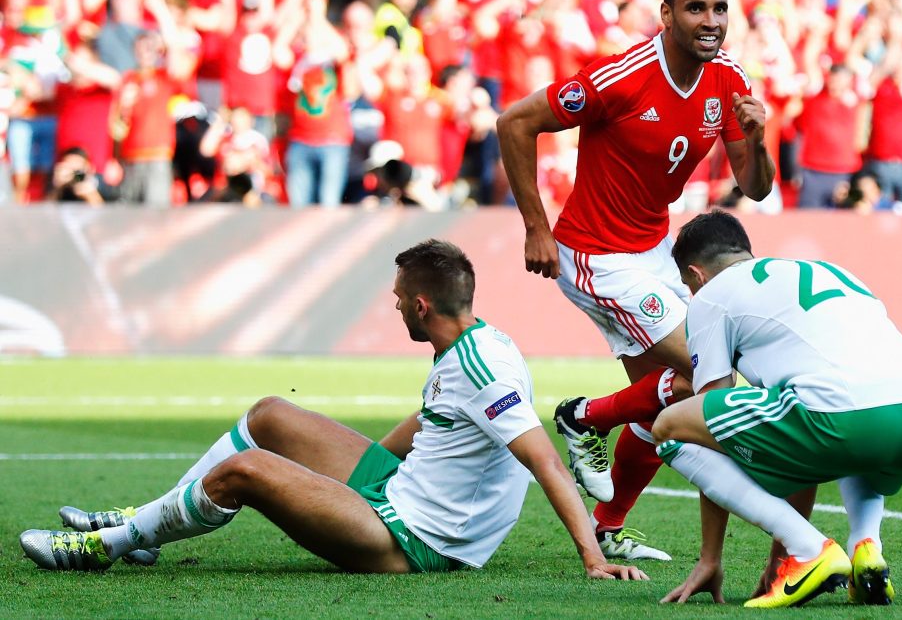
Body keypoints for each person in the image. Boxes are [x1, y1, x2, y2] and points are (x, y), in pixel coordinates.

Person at [20, 240, 645, 582]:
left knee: (247, 470)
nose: (394, 305)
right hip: (398, 495)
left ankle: (108, 545)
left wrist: (593, 557)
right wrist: (356, 469)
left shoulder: (485, 367)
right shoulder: (471, 339)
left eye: (399, 298)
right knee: (271, 415)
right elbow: (433, 420)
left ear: (422, 306)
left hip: (419, 540)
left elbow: (544, 462)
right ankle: (146, 523)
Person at [496, 0, 774, 559]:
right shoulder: (621, 77)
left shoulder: (728, 78)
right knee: (710, 371)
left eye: (719, 8)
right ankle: (585, 418)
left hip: (654, 250)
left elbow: (754, 186)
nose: (710, 20)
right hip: (596, 256)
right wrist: (536, 228)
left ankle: (607, 525)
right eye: (695, 7)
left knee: (670, 392)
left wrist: (757, 138)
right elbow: (514, 122)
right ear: (666, 11)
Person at [652, 210, 902, 608]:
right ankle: (866, 548)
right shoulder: (828, 270)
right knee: (820, 417)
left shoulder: (711, 296)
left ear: (696, 274)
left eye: (689, 285)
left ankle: (809, 549)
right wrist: (778, 561)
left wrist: (711, 557)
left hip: (845, 415)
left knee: (669, 427)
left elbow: (707, 421)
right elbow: (791, 448)